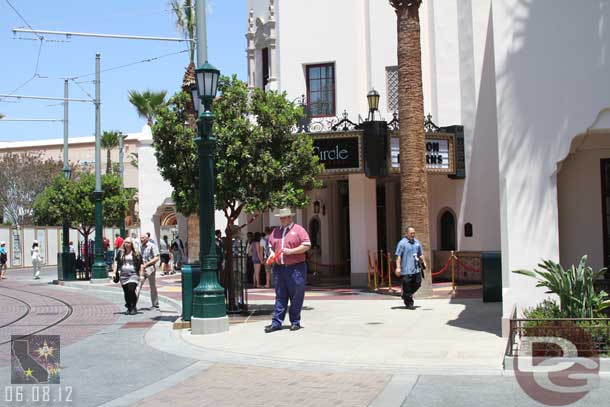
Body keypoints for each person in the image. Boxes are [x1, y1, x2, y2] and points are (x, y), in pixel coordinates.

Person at [265, 208, 311, 333]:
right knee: (280, 295)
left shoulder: (299, 230)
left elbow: (307, 245)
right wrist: (272, 254)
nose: (282, 220)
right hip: (279, 268)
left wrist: (291, 251)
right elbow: (270, 245)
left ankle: (295, 321)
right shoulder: (276, 231)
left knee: (296, 295)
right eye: (281, 218)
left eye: (285, 217)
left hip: (296, 268)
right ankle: (276, 322)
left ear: (290, 218)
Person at [394, 226, 426, 310]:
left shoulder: (417, 242)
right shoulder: (402, 243)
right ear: (407, 233)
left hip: (416, 269)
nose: (413, 235)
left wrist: (423, 261)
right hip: (406, 270)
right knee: (407, 287)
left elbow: (420, 254)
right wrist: (398, 267)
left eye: (414, 233)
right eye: (411, 233)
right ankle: (409, 303)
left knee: (418, 283)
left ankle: (406, 295)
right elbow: (398, 256)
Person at [113, 237, 143, 315]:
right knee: (126, 292)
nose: (127, 244)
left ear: (132, 244)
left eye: (128, 243)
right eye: (125, 242)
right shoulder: (121, 252)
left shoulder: (136, 253)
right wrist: (114, 272)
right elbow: (116, 262)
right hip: (123, 275)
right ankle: (129, 306)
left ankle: (133, 306)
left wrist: (142, 274)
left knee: (131, 289)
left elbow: (141, 264)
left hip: (133, 274)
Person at [140, 233, 160, 310]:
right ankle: (133, 304)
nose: (141, 239)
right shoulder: (140, 246)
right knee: (138, 285)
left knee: (152, 286)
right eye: (141, 238)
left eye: (143, 238)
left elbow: (157, 257)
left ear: (147, 238)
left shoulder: (152, 246)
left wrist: (147, 264)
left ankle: (155, 304)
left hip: (150, 269)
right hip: (142, 268)